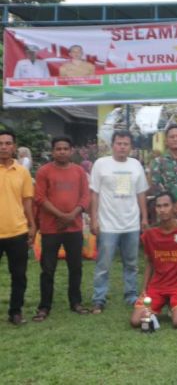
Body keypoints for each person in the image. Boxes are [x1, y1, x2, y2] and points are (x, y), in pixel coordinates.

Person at [90, 130, 149, 314]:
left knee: (131, 263)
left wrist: (144, 217)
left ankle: (131, 295)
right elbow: (94, 194)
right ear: (112, 145)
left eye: (126, 144)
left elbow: (141, 193)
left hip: (131, 223)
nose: (122, 147)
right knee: (103, 264)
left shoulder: (135, 165)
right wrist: (94, 219)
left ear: (131, 147)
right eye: (119, 143)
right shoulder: (101, 164)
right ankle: (99, 298)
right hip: (108, 223)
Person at [33, 137, 91, 321]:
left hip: (74, 228)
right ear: (53, 151)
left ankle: (76, 302)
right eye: (58, 149)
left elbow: (85, 197)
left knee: (76, 267)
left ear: (71, 150)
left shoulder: (79, 171)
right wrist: (61, 215)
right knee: (47, 269)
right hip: (50, 228)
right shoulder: (44, 171)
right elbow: (40, 198)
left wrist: (71, 215)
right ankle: (44, 306)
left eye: (65, 148)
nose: (62, 152)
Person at [130, 193, 177, 329]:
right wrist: (144, 289)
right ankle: (164, 305)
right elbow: (150, 263)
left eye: (166, 205)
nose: (162, 210)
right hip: (156, 287)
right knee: (136, 321)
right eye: (159, 206)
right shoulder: (150, 232)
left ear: (174, 207)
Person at [0, 130, 35, 326]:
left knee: (19, 275)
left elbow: (27, 201)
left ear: (14, 147)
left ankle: (15, 312)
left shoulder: (22, 172)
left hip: (17, 231)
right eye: (0, 143)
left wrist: (32, 225)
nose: (3, 147)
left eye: (7, 143)